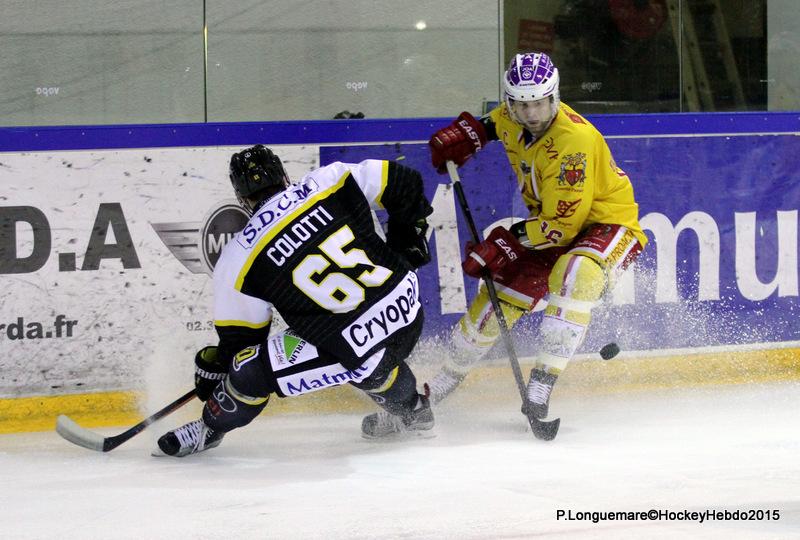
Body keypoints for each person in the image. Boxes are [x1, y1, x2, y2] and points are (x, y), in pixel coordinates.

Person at [156, 145, 435, 457]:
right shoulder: (330, 179)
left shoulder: (238, 256)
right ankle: (414, 411)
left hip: (353, 342)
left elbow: (241, 344)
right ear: (284, 176)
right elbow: (405, 180)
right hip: (407, 306)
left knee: (249, 368)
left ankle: (208, 430)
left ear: (242, 199)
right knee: (365, 356)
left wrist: (216, 372)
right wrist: (408, 245)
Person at [424, 52, 648, 419]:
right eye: (521, 104)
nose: (531, 114)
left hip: (607, 225)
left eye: (540, 103)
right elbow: (493, 124)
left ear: (554, 97)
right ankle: (442, 382)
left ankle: (542, 383)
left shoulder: (573, 142)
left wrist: (505, 244)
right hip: (548, 225)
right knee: (496, 298)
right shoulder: (512, 115)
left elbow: (563, 227)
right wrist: (469, 134)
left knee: (576, 274)